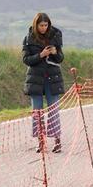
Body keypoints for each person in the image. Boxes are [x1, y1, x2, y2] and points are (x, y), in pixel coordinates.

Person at [22, 13, 64, 153]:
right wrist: (41, 55)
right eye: (41, 25)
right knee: (37, 112)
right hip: (35, 80)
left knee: (54, 111)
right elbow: (26, 60)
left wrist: (54, 53)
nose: (44, 28)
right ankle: (41, 142)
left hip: (52, 79)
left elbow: (60, 58)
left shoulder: (55, 37)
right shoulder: (28, 39)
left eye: (46, 25)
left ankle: (57, 141)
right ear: (36, 25)